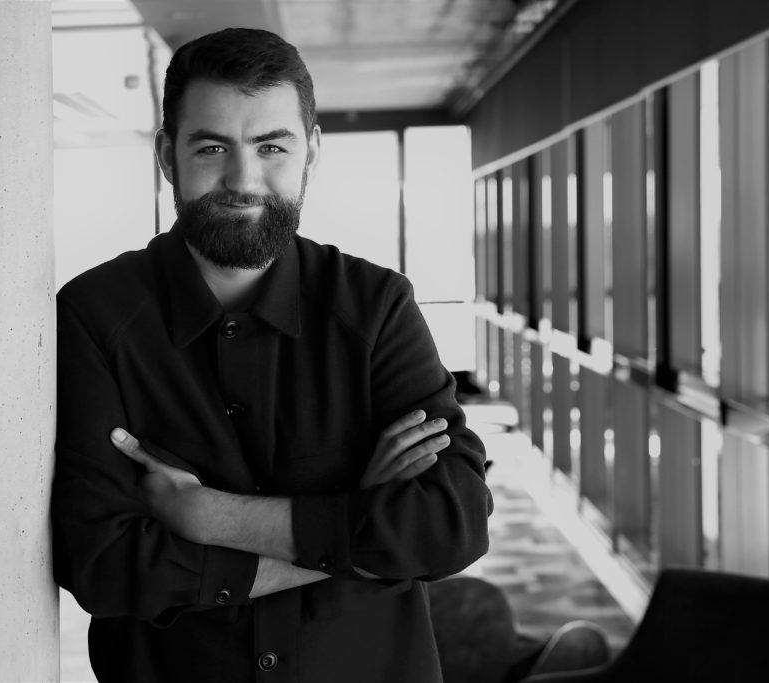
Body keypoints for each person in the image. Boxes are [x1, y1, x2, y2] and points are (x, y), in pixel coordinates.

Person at [51, 27, 493, 682]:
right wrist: (353, 528)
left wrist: (211, 517)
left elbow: (450, 523)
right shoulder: (94, 316)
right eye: (212, 147)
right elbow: (104, 565)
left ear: (310, 150)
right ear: (168, 154)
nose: (244, 179)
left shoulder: (376, 307)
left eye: (271, 147)